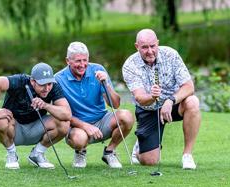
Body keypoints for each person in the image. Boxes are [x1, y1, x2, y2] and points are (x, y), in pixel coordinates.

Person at [122, 29, 201, 170]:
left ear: (157, 43)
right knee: (149, 161)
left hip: (174, 104)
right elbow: (140, 98)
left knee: (192, 102)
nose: (150, 51)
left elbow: (189, 87)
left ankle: (187, 155)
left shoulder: (171, 55)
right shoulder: (130, 65)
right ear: (137, 47)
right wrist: (152, 96)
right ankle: (140, 147)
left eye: (153, 46)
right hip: (148, 109)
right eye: (144, 47)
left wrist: (170, 100)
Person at [55, 41, 134, 169]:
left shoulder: (98, 69)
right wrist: (85, 126)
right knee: (79, 139)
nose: (82, 65)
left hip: (101, 120)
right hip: (77, 126)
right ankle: (80, 152)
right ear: (67, 61)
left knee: (127, 116)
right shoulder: (58, 79)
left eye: (85, 60)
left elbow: (115, 104)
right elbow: (63, 115)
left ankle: (110, 152)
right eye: (78, 61)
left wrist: (106, 83)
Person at [0, 62, 71, 169]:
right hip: (14, 128)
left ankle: (37, 154)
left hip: (36, 128)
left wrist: (45, 105)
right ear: (32, 81)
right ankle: (11, 154)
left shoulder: (53, 87)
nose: (47, 88)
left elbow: (67, 114)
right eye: (42, 84)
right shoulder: (20, 81)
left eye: (49, 84)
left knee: (64, 123)